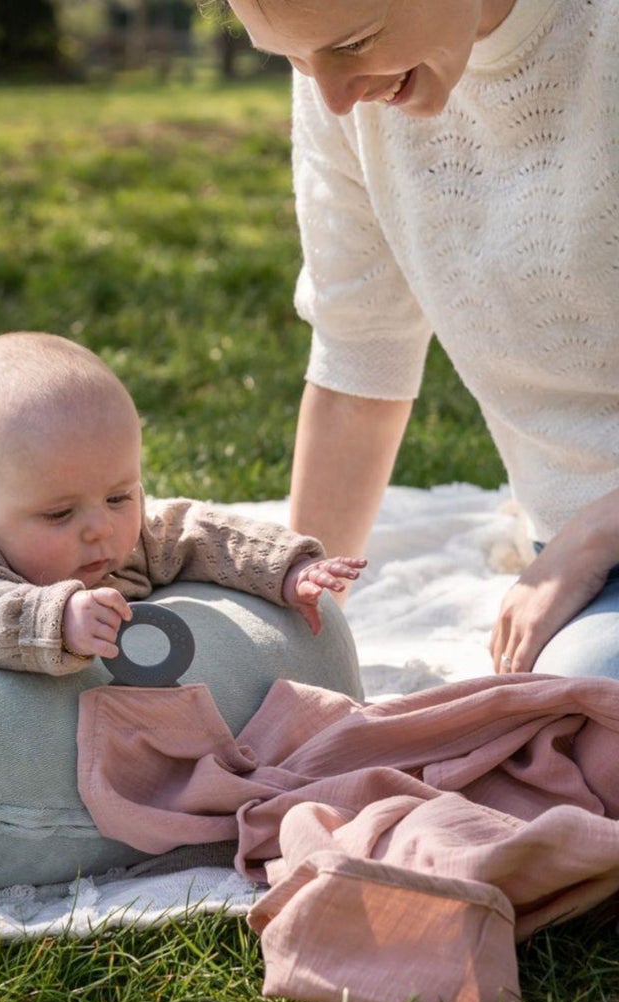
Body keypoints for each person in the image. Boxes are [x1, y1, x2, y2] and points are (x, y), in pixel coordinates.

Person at [222, 0, 619, 680]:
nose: (334, 97)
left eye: (355, 42)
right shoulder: (342, 83)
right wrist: (300, 632)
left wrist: (596, 532)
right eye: (292, 58)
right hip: (570, 549)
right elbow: (360, 358)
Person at [0, 331, 364, 674]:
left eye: (118, 496)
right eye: (59, 513)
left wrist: (286, 567)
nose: (101, 528)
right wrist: (58, 620)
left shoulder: (124, 536)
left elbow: (200, 533)